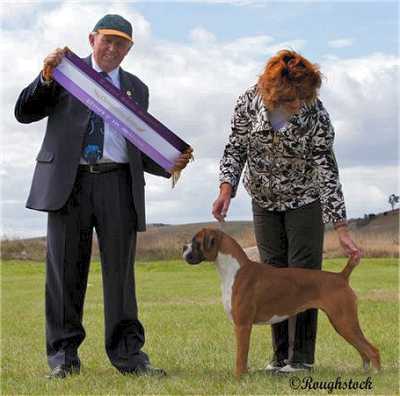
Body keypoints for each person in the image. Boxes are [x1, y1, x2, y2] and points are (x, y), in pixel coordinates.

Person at [15, 14, 192, 379]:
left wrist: (170, 162)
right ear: (92, 39)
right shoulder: (64, 73)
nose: (112, 48)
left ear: (129, 49)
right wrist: (44, 76)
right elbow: (24, 112)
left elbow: (137, 147)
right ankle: (63, 358)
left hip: (117, 184)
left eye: (121, 43)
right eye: (107, 40)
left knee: (121, 277)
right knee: (64, 274)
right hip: (70, 183)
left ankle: (129, 357)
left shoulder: (136, 88)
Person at [212, 49, 361, 374]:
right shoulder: (247, 104)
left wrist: (341, 226)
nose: (298, 106)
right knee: (270, 278)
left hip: (304, 201)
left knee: (305, 278)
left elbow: (327, 168)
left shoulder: (315, 112)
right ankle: (279, 358)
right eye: (292, 100)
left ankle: (301, 359)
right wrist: (226, 187)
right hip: (264, 201)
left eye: (303, 98)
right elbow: (235, 147)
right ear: (272, 94)